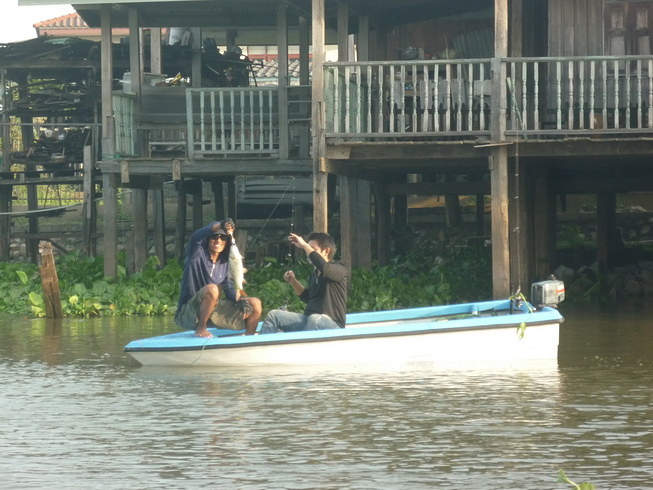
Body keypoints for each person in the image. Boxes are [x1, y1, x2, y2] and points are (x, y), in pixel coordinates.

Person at [175, 220, 262, 337]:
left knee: (255, 303)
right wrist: (222, 225)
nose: (218, 240)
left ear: (226, 242)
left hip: (212, 310)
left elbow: (228, 288)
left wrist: (241, 299)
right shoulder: (196, 254)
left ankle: (249, 339)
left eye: (223, 238)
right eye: (214, 237)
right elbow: (197, 236)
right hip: (189, 312)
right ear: (208, 240)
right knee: (213, 289)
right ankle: (201, 329)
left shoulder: (225, 263)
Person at [260, 232, 348, 334]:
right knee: (274, 315)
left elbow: (325, 268)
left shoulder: (339, 269)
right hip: (308, 320)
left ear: (326, 251)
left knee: (315, 319)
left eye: (313, 249)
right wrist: (293, 281)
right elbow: (307, 297)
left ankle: (300, 347)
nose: (308, 253)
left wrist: (305, 245)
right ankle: (260, 348)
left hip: (333, 324)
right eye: (308, 249)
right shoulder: (314, 275)